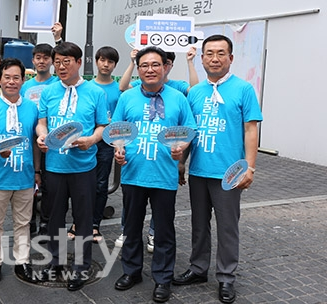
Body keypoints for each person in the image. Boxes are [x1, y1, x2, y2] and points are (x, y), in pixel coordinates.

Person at [172, 35, 262, 304]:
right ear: (201, 59)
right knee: (199, 225)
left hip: (230, 173)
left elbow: (250, 129)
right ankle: (199, 269)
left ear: (230, 58)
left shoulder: (243, 89)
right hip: (199, 170)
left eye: (221, 53)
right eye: (209, 53)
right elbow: (189, 131)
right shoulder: (195, 91)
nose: (214, 58)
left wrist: (251, 168)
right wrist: (181, 162)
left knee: (227, 227)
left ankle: (226, 277)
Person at [112, 46, 197, 303]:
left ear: (165, 67)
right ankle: (131, 271)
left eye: (155, 64)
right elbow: (117, 131)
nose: (150, 69)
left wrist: (181, 149)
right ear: (138, 69)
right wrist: (118, 149)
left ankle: (162, 278)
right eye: (145, 65)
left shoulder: (179, 98)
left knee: (163, 230)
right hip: (133, 173)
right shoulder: (127, 98)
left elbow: (190, 129)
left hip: (164, 176)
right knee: (131, 226)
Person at [36, 41, 108, 291]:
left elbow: (102, 126)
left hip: (84, 167)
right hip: (54, 167)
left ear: (79, 62)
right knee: (54, 217)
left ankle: (81, 265)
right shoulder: (48, 91)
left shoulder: (96, 92)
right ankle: (54, 261)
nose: (61, 66)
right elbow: (41, 122)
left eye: (67, 61)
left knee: (83, 218)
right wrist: (41, 135)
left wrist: (91, 139)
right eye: (58, 62)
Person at [0, 58, 40, 286]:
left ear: (23, 80)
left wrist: (37, 171)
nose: (11, 82)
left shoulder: (32, 108)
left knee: (23, 223)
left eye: (16, 77)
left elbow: (33, 142)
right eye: (7, 77)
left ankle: (22, 262)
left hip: (24, 176)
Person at [20, 43, 58, 236]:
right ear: (33, 60)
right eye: (38, 58)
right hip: (28, 142)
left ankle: (46, 223)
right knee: (30, 182)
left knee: (50, 185)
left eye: (46, 57)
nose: (42, 61)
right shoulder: (25, 86)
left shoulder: (58, 83)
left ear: (52, 60)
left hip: (52, 143)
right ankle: (29, 223)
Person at [89, 46, 121, 243]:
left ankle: (94, 224)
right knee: (83, 183)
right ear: (96, 61)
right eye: (102, 60)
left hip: (107, 143)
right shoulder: (87, 87)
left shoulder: (119, 89)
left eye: (110, 61)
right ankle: (79, 221)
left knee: (101, 184)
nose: (106, 64)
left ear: (115, 65)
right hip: (88, 140)